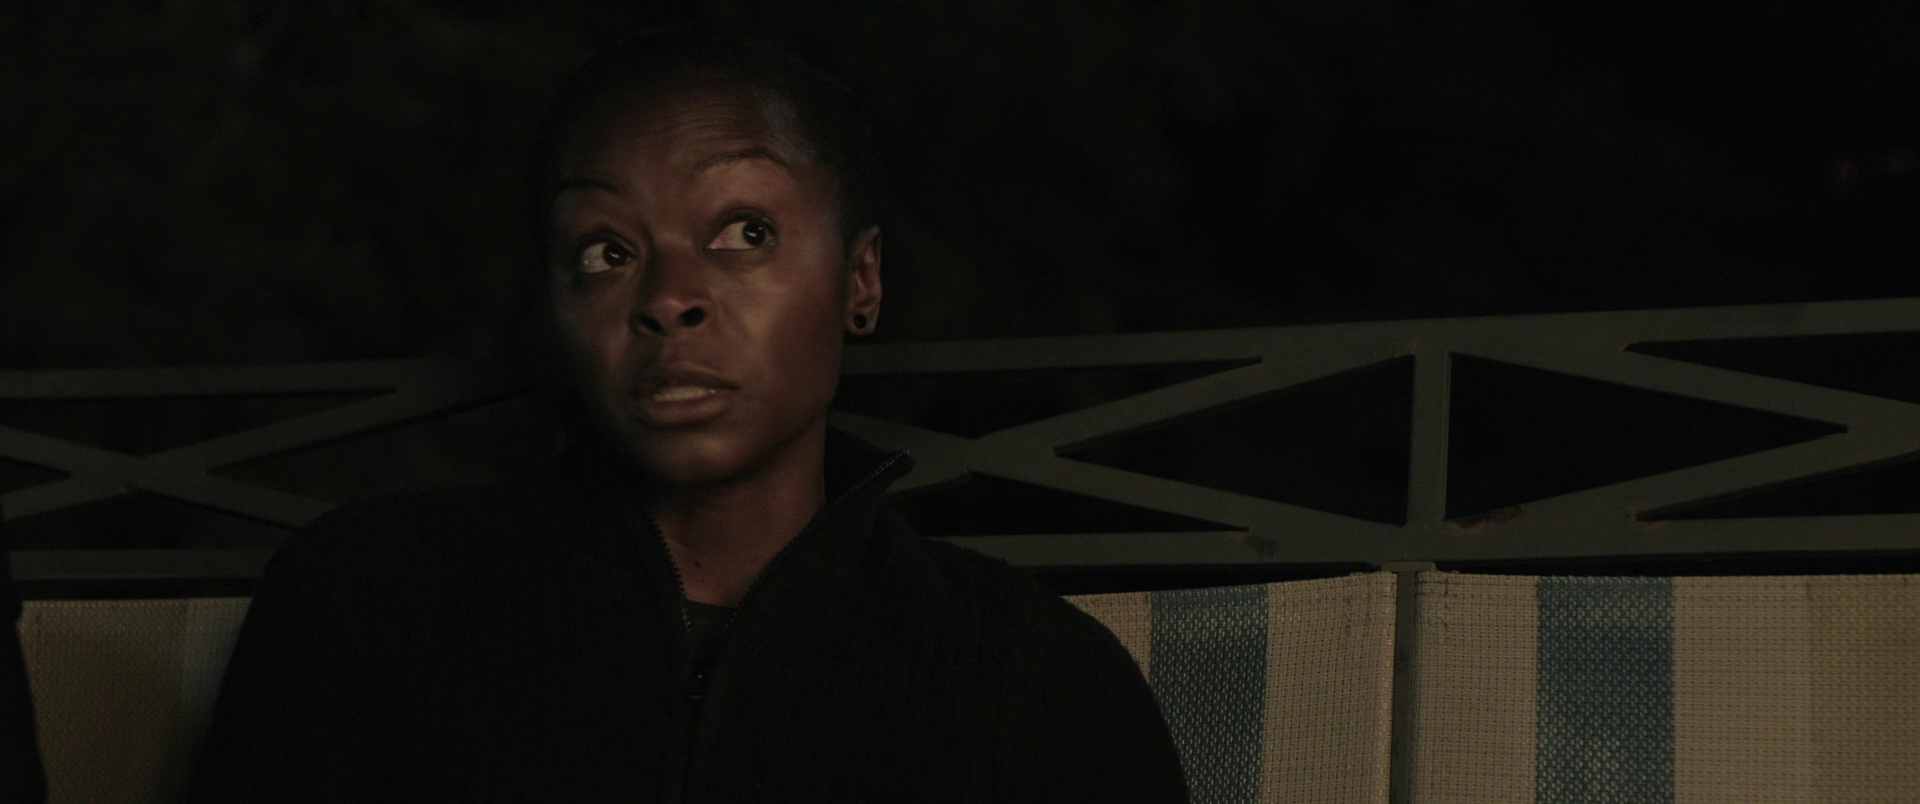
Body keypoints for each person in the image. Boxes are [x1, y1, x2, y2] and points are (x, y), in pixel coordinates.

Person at [188, 30, 1187, 803]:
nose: (669, 298)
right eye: (606, 252)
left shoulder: (1033, 675)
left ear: (861, 280)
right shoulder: (371, 596)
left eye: (745, 233)